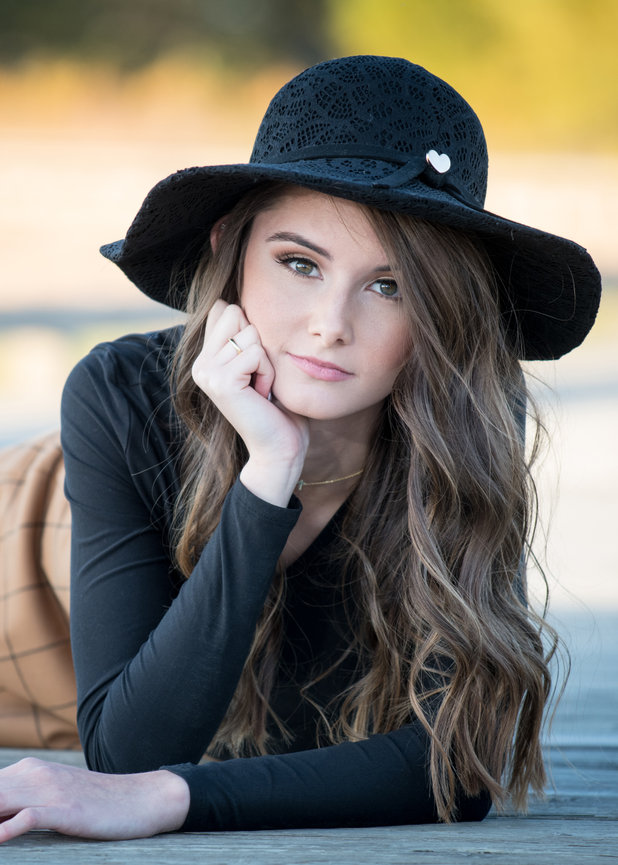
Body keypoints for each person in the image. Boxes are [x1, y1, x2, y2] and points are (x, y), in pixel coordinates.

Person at [0, 54, 601, 842]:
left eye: (390, 287)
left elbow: (456, 758)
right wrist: (269, 474)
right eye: (299, 263)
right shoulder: (119, 395)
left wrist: (182, 799)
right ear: (231, 248)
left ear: (443, 314)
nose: (331, 324)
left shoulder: (466, 418)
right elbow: (128, 749)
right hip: (25, 562)